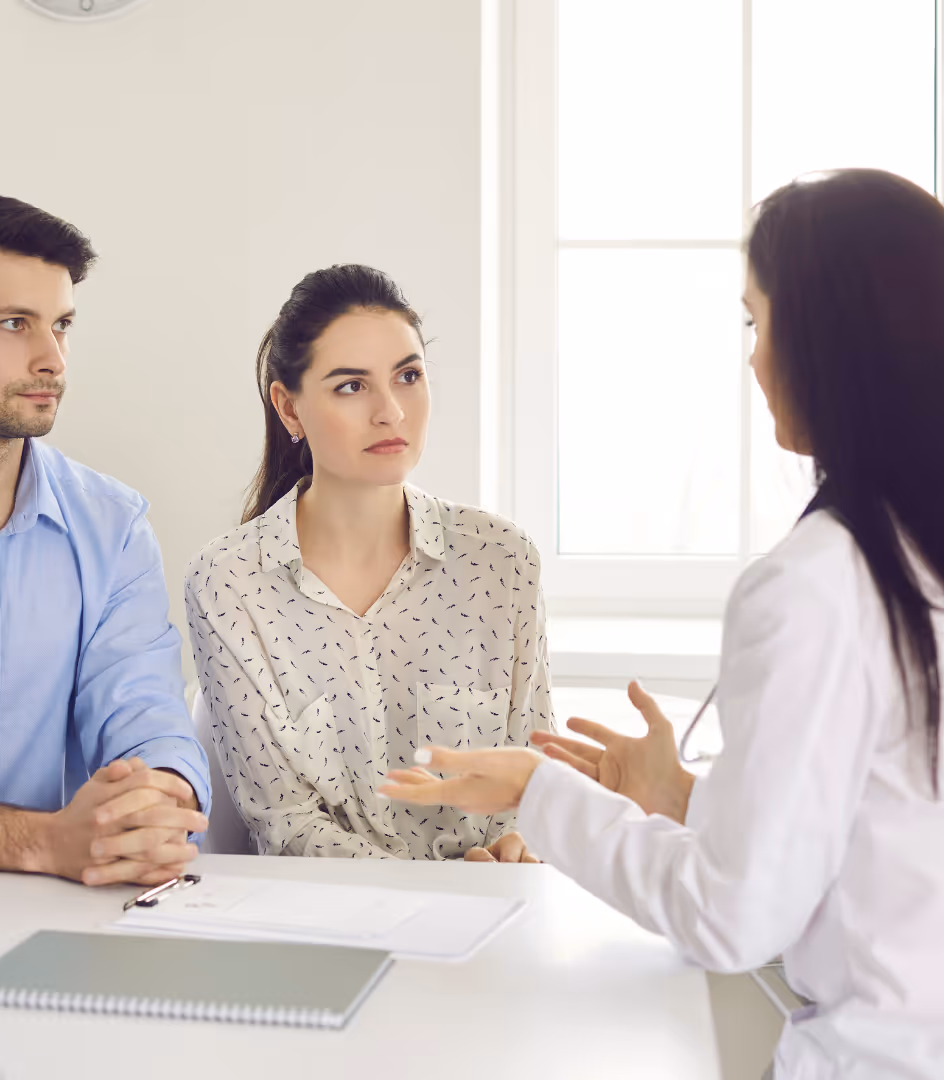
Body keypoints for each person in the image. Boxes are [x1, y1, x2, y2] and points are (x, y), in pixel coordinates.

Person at [380, 170, 944, 1079]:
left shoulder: (817, 587)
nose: (754, 361)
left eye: (759, 323)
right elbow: (890, 830)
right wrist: (685, 801)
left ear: (831, 340)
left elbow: (732, 916)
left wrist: (539, 791)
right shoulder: (904, 559)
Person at [0, 194, 211, 938]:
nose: (52, 358)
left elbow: (146, 715)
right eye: (15, 324)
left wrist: (156, 799)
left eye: (61, 326)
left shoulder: (113, 526)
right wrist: (43, 840)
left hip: (62, 909)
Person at [186, 264, 552, 861]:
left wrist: (519, 846)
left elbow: (536, 773)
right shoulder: (229, 582)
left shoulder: (502, 561)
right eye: (351, 386)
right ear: (290, 409)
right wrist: (437, 890)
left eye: (408, 376)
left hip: (492, 910)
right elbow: (284, 824)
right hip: (328, 928)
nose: (392, 412)